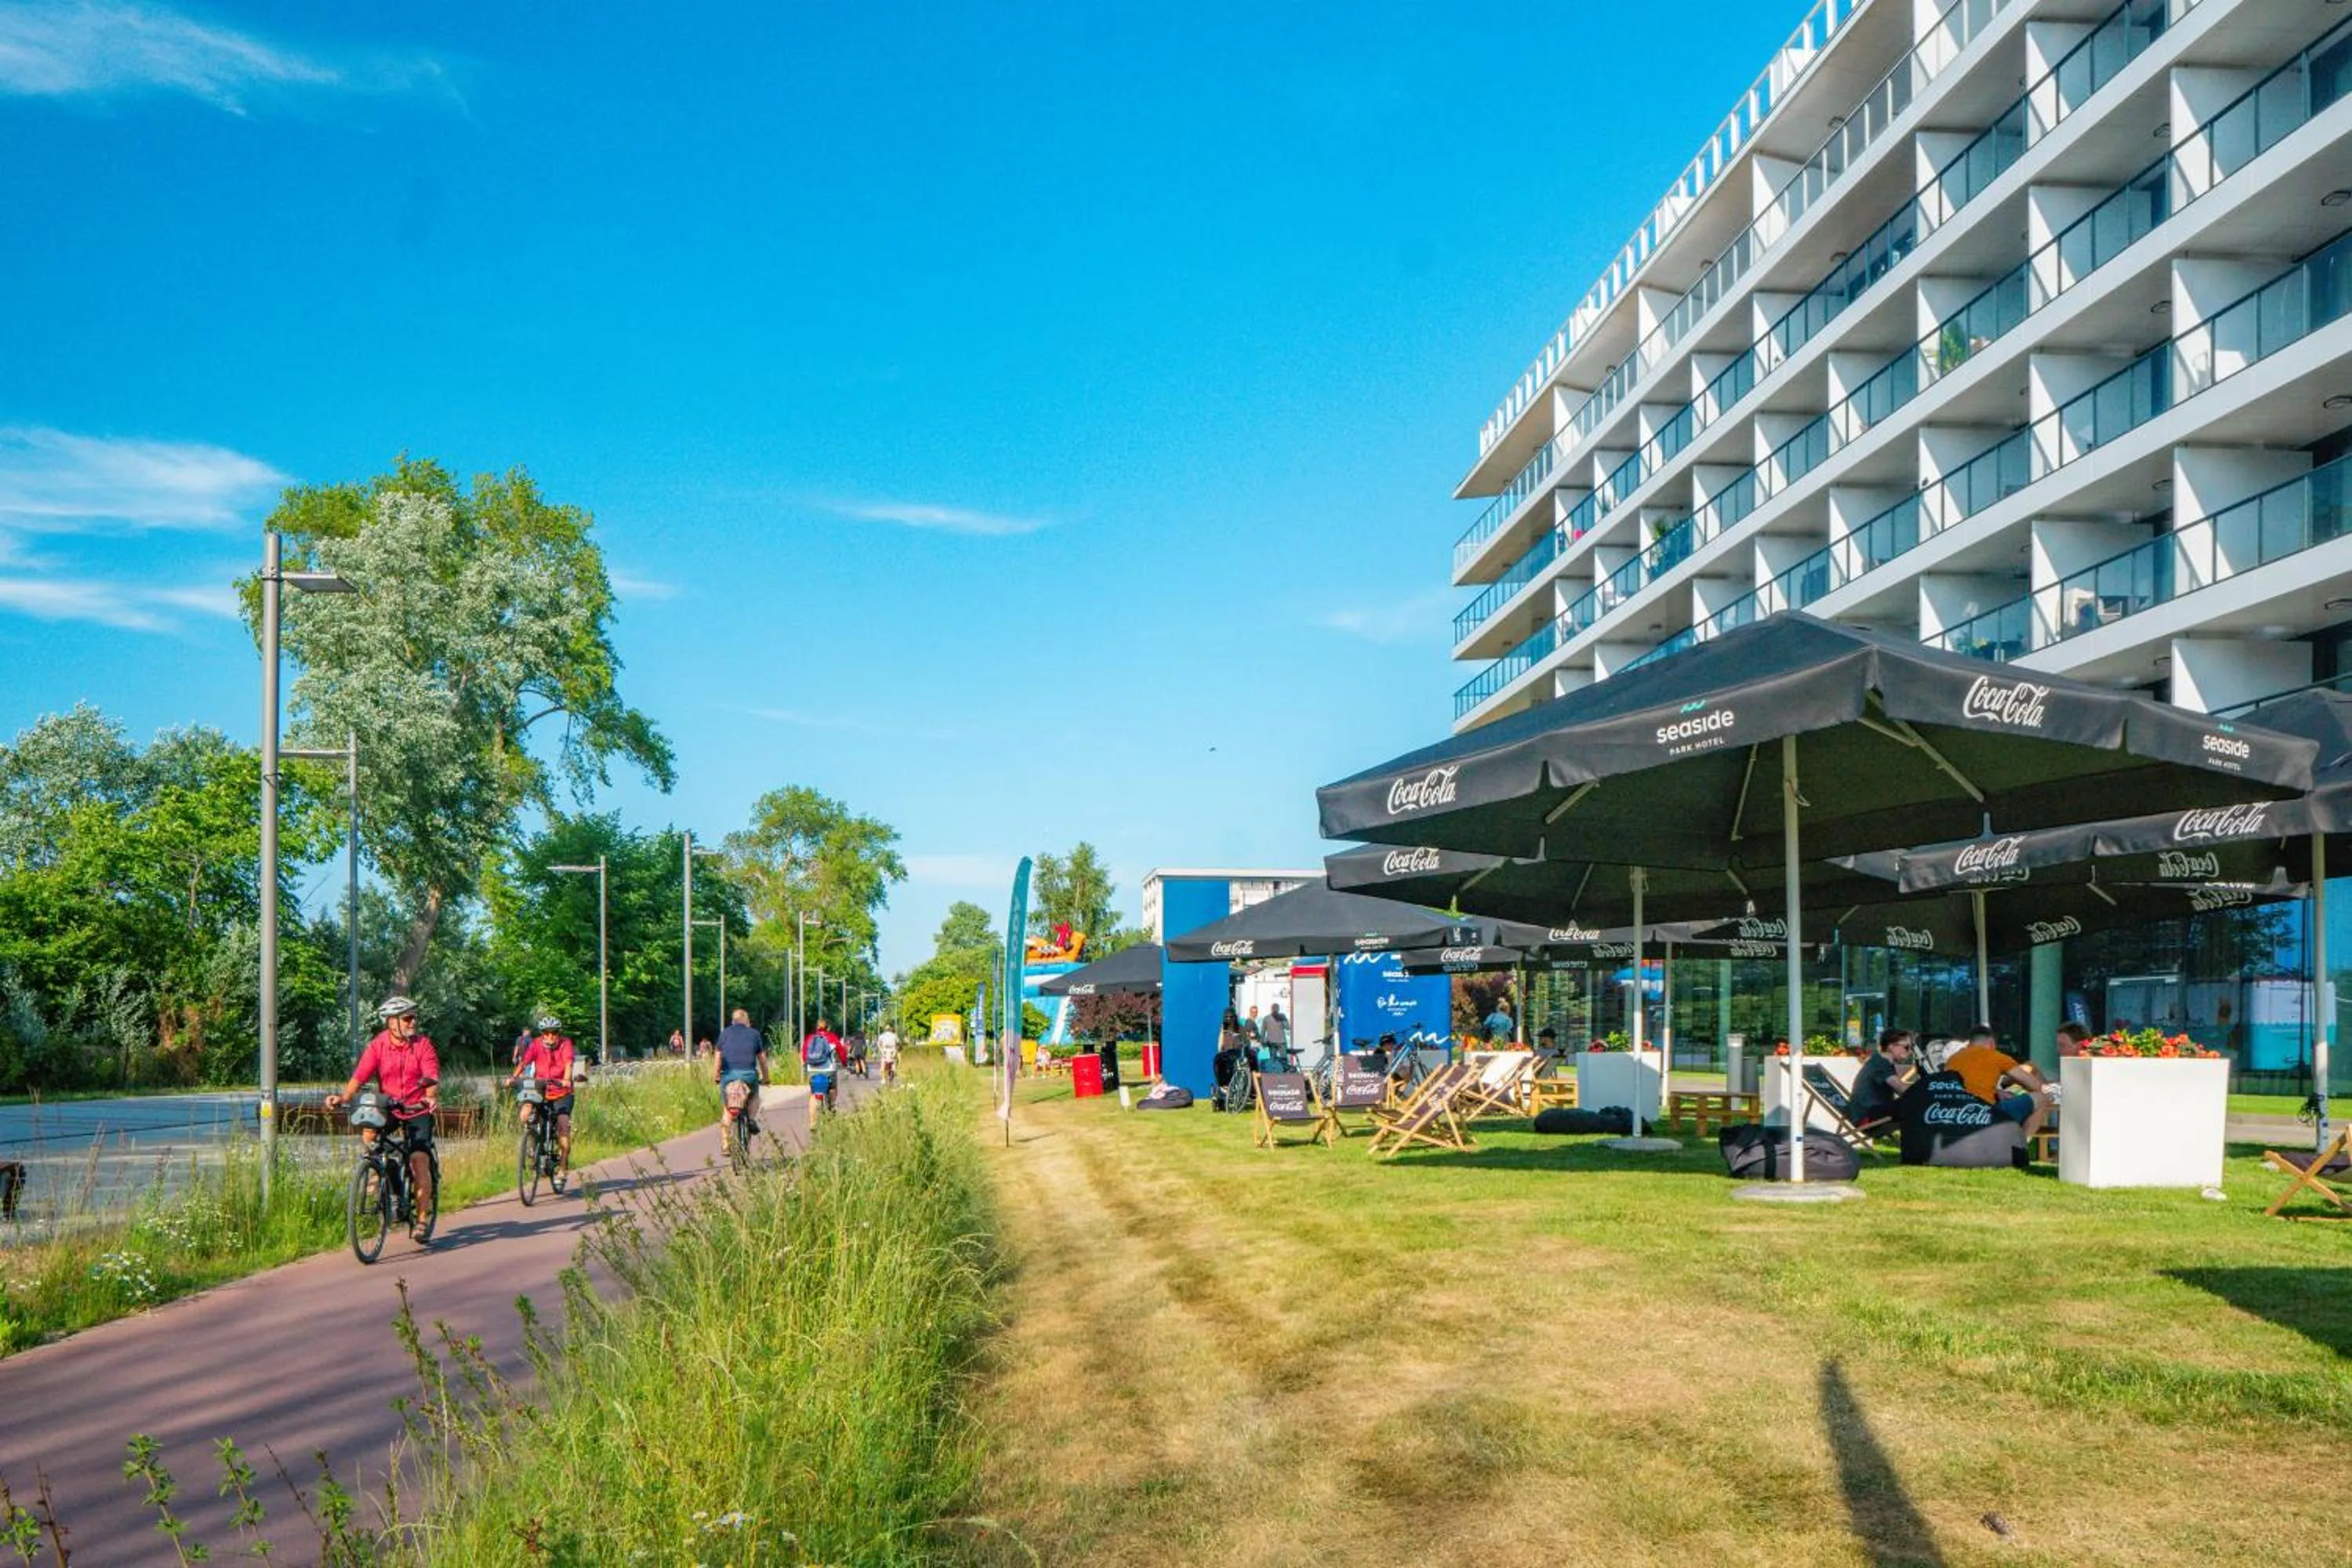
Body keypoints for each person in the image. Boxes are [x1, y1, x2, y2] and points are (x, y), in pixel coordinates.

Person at [327, 996, 440, 1239]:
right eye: (408, 1018)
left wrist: (429, 1097)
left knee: (419, 1159)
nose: (413, 1022)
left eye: (414, 1017)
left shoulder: (423, 1045)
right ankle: (380, 1175)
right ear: (391, 1022)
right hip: (389, 1106)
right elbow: (360, 1076)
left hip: (416, 1108)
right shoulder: (378, 1046)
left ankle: (421, 1219)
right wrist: (343, 1098)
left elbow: (431, 1075)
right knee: (370, 1134)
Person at [1944, 1024, 2053, 1140]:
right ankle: (2022, 1145)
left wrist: (1997, 1092)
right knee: (2042, 1097)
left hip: (1956, 1115)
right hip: (1986, 1116)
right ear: (1991, 1043)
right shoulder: (1996, 1057)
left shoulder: (1953, 1060)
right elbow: (2036, 1086)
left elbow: (1967, 1084)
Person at [507, 1013, 578, 1174]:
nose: (550, 1036)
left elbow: (568, 1063)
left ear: (558, 1033)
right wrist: (513, 1078)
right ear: (542, 1034)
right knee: (525, 1114)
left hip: (562, 1090)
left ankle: (563, 1166)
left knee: (562, 1125)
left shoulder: (566, 1044)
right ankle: (532, 1144)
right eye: (546, 1033)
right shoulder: (536, 1044)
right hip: (540, 1086)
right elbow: (524, 1062)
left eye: (554, 1033)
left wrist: (566, 1079)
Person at [713, 1007, 770, 1149]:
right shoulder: (754, 1034)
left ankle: (726, 1144)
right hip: (749, 1075)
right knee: (755, 1097)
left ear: (733, 1022)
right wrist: (766, 1077)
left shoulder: (725, 1033)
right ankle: (750, 1120)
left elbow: (718, 1056)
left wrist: (716, 1075)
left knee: (727, 1108)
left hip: (728, 1076)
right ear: (748, 1022)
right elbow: (762, 1059)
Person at [1846, 1028, 1918, 1136]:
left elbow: (1903, 1092)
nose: (1910, 1051)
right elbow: (1900, 1088)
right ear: (1891, 1046)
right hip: (1867, 1118)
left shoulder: (1881, 1061)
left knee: (1914, 1103)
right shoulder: (1880, 1063)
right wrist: (1925, 1089)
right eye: (1907, 1047)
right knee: (1917, 1104)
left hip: (1870, 1114)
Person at [801, 1016, 844, 1127]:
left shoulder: (810, 1038)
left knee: (813, 1094)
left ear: (816, 1027)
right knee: (833, 1088)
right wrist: (844, 1063)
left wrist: (807, 1064)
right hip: (829, 1070)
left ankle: (813, 1124)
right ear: (828, 1028)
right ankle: (832, 1107)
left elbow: (805, 1055)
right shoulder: (833, 1038)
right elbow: (842, 1052)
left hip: (813, 1070)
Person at [876, 1022, 902, 1086]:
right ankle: (891, 1075)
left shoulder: (882, 1036)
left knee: (883, 1065)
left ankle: (883, 1079)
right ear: (891, 1029)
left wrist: (880, 1049)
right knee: (893, 1063)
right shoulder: (894, 1035)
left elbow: (878, 1043)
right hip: (892, 1050)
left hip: (885, 1050)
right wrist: (897, 1049)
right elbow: (898, 1043)